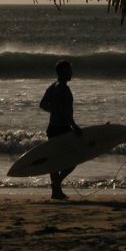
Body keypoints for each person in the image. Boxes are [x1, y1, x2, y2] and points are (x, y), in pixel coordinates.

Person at [39, 60, 82, 200]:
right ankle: (56, 184)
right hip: (62, 128)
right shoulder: (63, 88)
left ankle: (56, 192)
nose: (71, 72)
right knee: (75, 157)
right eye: (69, 70)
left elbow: (43, 104)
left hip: (52, 128)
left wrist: (54, 111)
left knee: (54, 160)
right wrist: (74, 126)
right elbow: (65, 112)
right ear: (63, 72)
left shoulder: (52, 87)